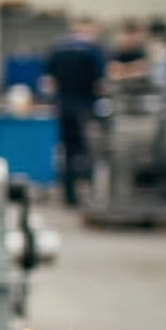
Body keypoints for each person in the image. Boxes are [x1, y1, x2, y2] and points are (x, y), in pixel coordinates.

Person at [44, 18, 107, 207]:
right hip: (85, 108)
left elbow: (49, 82)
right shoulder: (93, 51)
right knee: (88, 151)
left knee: (68, 151)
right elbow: (101, 83)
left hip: (63, 108)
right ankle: (90, 192)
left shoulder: (58, 49)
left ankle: (69, 195)